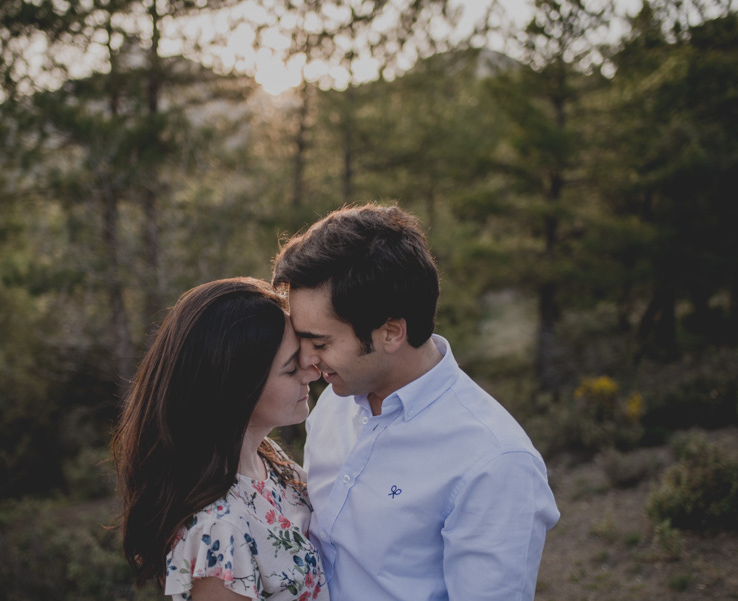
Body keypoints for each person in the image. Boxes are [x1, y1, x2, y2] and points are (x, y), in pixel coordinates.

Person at [272, 204, 560, 601]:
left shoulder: (495, 461)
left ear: (391, 332)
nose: (305, 359)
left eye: (321, 342)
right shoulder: (334, 404)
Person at [113, 277, 329, 601]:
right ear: (237, 387)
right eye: (289, 368)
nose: (312, 372)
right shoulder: (216, 531)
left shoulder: (270, 462)